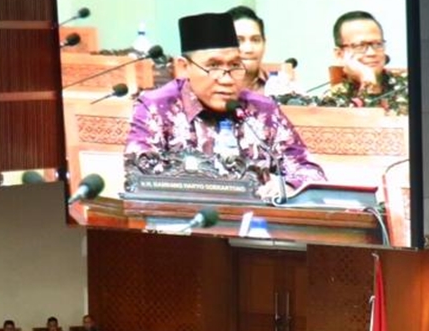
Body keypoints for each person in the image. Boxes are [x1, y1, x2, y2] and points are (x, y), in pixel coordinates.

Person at [125, 12, 326, 198]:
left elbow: (310, 173)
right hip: (182, 226)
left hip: (256, 225)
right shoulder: (156, 107)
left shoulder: (263, 110)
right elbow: (140, 176)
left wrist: (287, 186)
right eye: (213, 66)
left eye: (234, 66)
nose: (227, 79)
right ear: (184, 67)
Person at [327, 11, 404, 103]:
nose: (371, 53)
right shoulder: (332, 100)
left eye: (377, 44)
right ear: (339, 55)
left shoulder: (410, 86)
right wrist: (368, 81)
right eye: (359, 46)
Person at [227, 6, 268, 93]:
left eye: (255, 40)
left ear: (264, 43)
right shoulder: (206, 88)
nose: (249, 49)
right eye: (238, 41)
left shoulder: (279, 88)